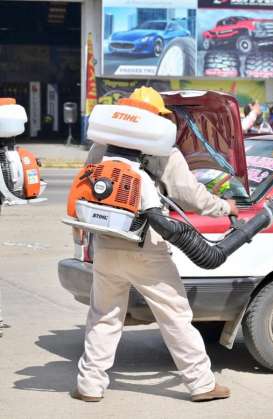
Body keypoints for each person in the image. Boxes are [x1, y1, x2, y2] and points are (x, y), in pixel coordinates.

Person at [73, 87, 237, 403]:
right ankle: (202, 383)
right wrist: (225, 207)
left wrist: (82, 239)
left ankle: (89, 386)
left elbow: (84, 193)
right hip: (147, 247)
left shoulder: (100, 148)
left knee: (103, 316)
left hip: (106, 244)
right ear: (157, 119)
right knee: (175, 315)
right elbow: (192, 196)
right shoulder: (164, 153)